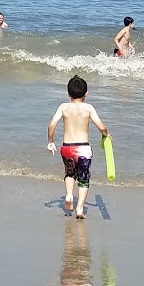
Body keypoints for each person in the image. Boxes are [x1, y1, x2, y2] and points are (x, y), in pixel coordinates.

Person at [47, 75, 109, 220]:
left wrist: (50, 141)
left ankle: (69, 195)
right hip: (83, 149)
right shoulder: (88, 108)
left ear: (68, 94)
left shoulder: (63, 107)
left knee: (69, 173)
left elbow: (51, 125)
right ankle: (80, 208)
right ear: (86, 94)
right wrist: (106, 135)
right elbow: (101, 126)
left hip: (67, 148)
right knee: (83, 178)